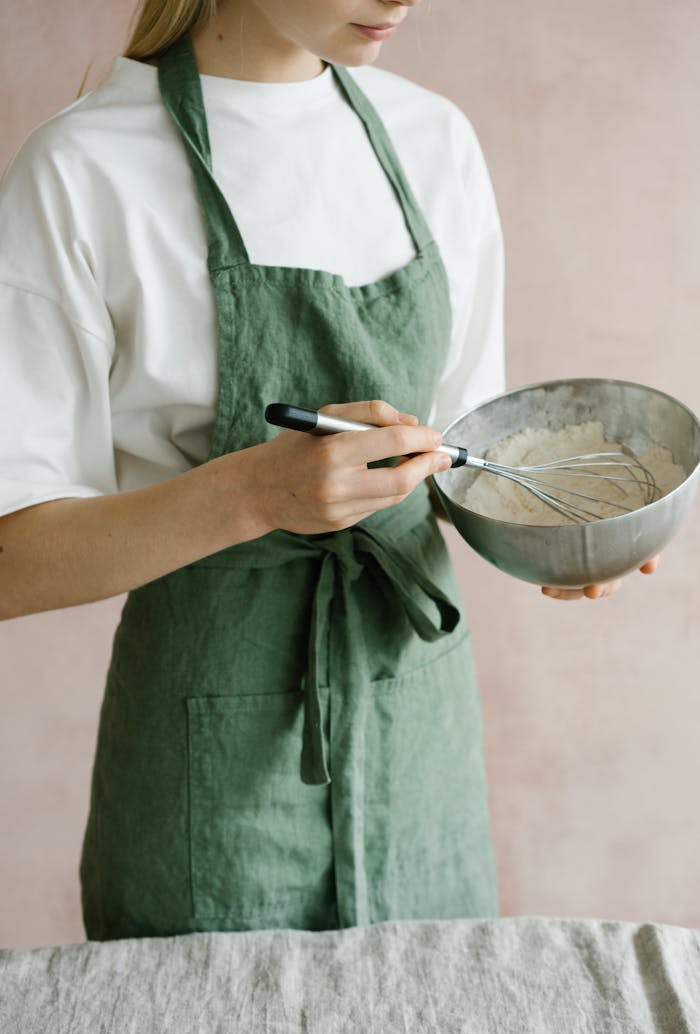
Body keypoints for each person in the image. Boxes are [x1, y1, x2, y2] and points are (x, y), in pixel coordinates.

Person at [0, 0, 659, 940]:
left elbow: (460, 454)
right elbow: (10, 557)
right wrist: (252, 492)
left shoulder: (434, 140)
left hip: (418, 726)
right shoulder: (82, 169)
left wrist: (562, 532)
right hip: (206, 758)